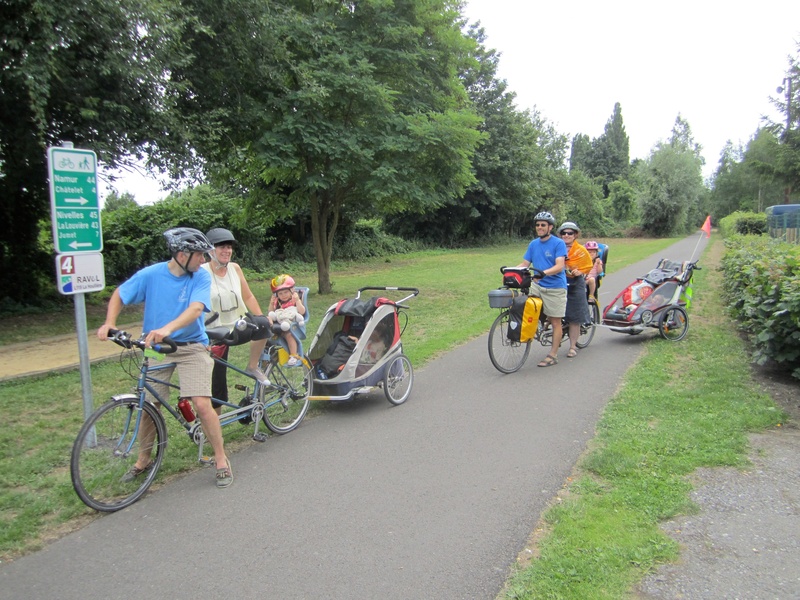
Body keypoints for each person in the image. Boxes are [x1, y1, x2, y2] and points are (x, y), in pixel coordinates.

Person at [97, 227, 233, 488]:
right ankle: (144, 459)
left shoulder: (200, 277)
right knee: (146, 403)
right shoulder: (151, 275)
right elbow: (120, 294)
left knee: (202, 404)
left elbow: (195, 310)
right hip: (155, 347)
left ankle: (220, 459)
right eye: (200, 255)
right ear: (182, 254)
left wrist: (167, 329)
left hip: (192, 346)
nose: (204, 261)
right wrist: (109, 323)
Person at [201, 228, 271, 413]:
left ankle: (252, 366)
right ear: (210, 250)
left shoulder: (235, 268)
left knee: (263, 325)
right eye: (221, 247)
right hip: (214, 331)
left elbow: (248, 297)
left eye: (229, 247)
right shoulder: (201, 272)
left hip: (237, 325)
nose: (227, 251)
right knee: (217, 378)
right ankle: (215, 422)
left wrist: (261, 317)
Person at [516, 211, 567, 367]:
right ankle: (537, 325)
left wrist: (543, 273)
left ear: (550, 227)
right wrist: (511, 271)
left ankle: (553, 355)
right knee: (522, 302)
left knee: (556, 321)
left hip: (555, 287)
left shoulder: (558, 243)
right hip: (537, 285)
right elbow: (525, 264)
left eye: (543, 225)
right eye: (538, 225)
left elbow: (560, 266)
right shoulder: (533, 244)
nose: (539, 227)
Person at [558, 221, 593, 359]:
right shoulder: (557, 247)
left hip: (575, 282)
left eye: (570, 233)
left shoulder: (581, 250)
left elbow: (588, 265)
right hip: (559, 281)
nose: (566, 235)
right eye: (564, 233)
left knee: (575, 317)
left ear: (575, 235)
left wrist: (579, 271)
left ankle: (572, 347)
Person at [268, 274, 306, 367]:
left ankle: (293, 355)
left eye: (285, 292)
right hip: (279, 323)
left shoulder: (294, 300)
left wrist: (297, 301)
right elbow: (270, 312)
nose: (283, 295)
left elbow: (302, 312)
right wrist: (272, 302)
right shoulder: (278, 302)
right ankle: (267, 355)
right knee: (265, 331)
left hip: (292, 325)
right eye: (280, 293)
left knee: (288, 335)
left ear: (291, 291)